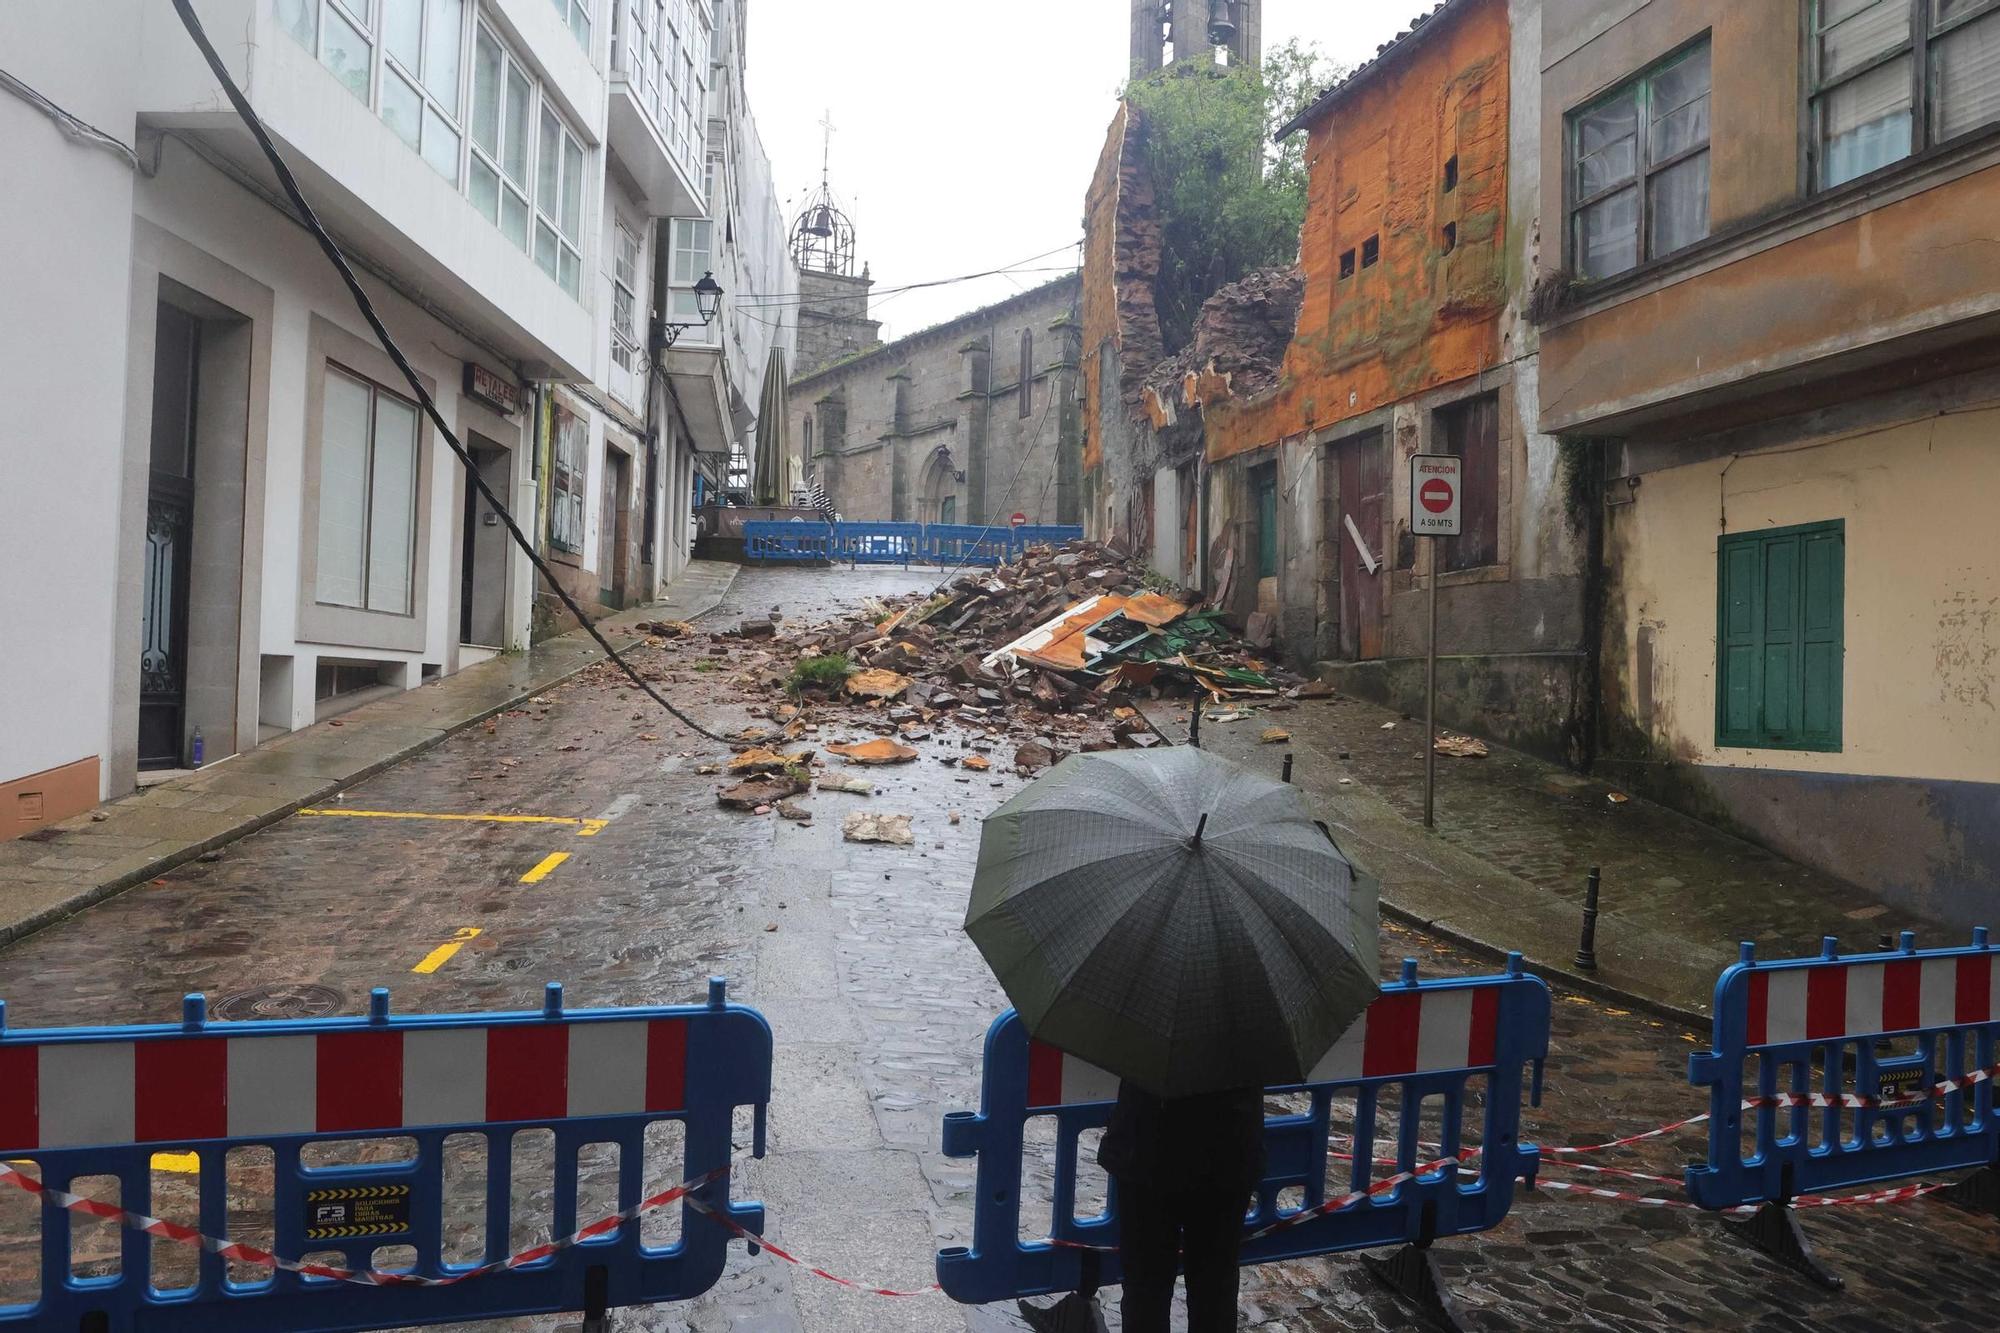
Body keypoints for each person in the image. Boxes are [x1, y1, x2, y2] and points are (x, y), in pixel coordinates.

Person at [1097, 1080, 1266, 1331]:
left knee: (1146, 1288)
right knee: (1215, 1287)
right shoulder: (1246, 1040)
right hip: (1229, 1151)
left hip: (1147, 1150)